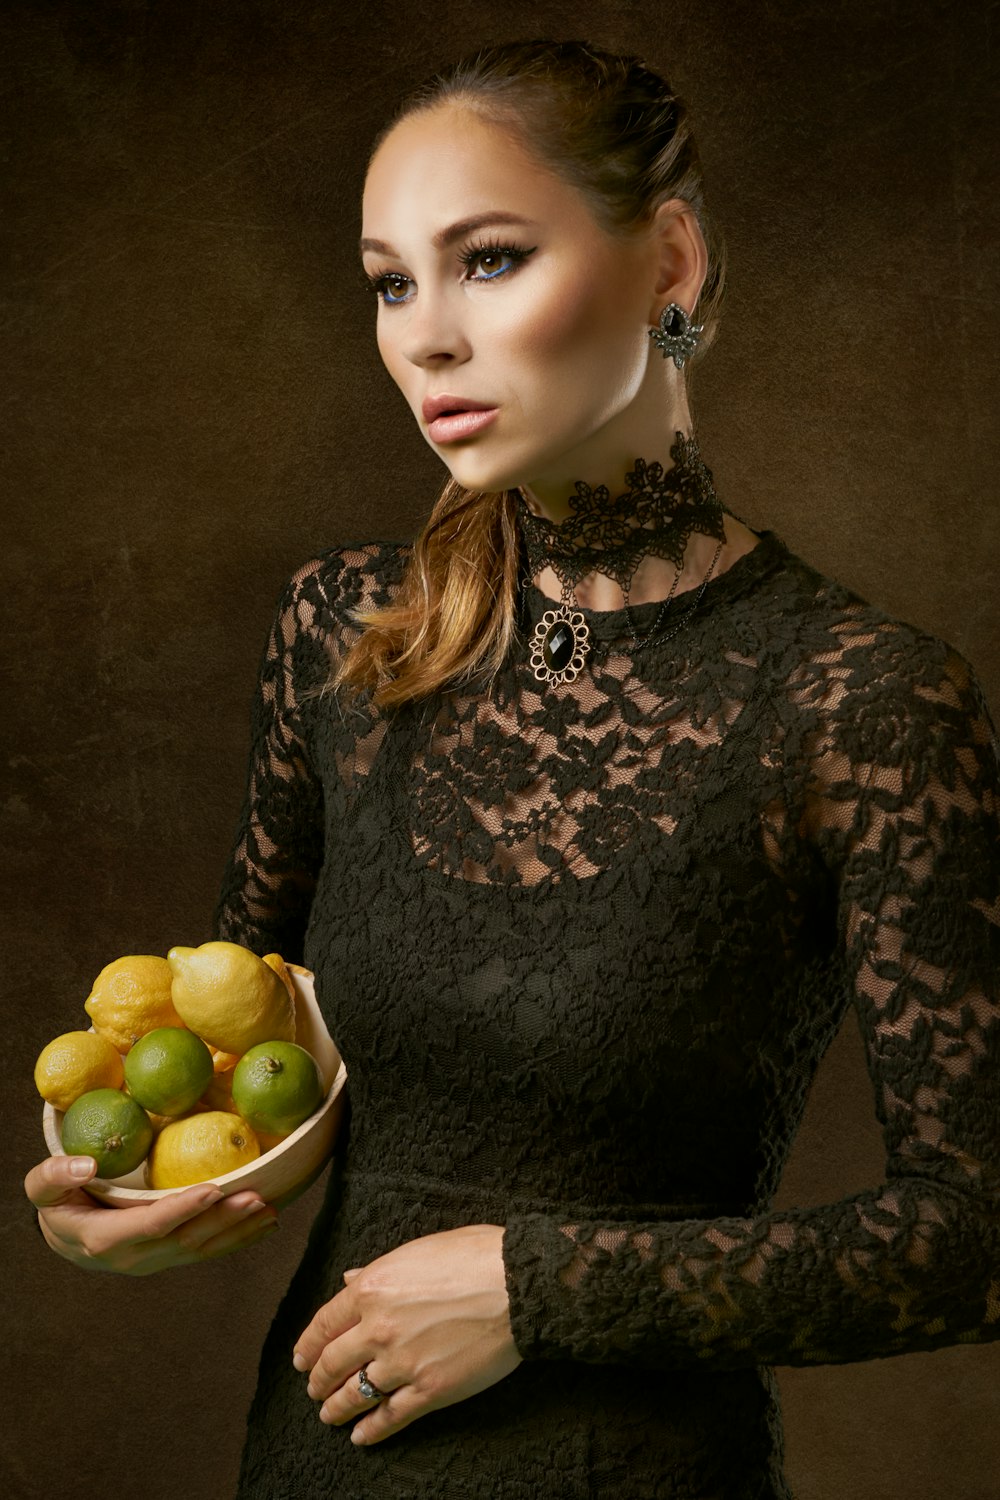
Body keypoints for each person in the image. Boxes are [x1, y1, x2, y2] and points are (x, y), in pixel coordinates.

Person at [25, 37, 1000, 1500]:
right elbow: (236, 1042)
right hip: (315, 1462)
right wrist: (132, 1190)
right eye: (389, 280)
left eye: (485, 260)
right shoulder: (344, 636)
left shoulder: (857, 698)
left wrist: (543, 1289)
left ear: (669, 260)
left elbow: (974, 1236)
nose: (423, 334)